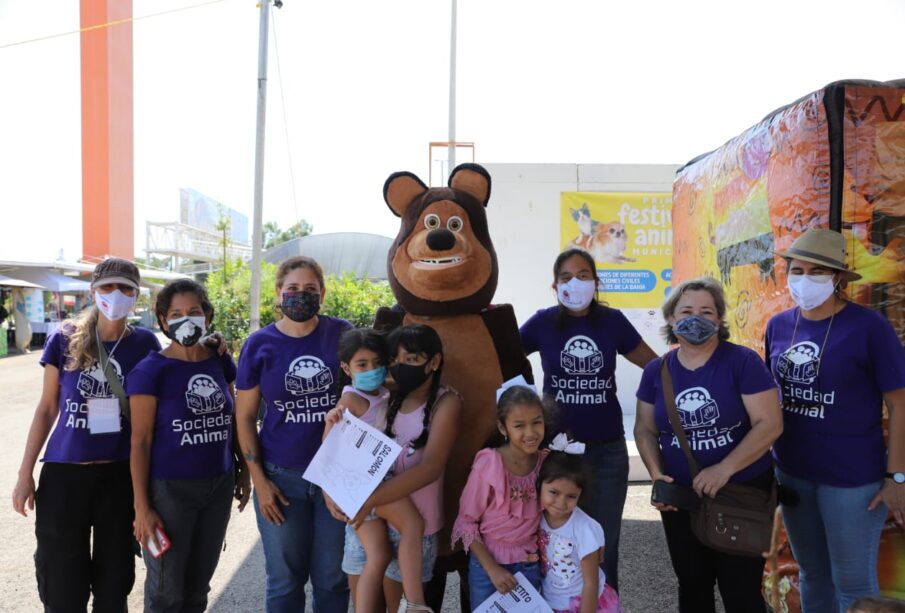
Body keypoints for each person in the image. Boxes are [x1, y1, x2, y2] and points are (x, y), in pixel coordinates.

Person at [765, 228, 905, 613]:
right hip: (793, 474)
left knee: (855, 586)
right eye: (797, 270)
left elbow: (900, 403)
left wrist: (897, 477)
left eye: (817, 272)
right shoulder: (778, 326)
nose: (804, 280)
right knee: (812, 575)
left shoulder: (868, 326)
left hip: (853, 481)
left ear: (838, 279)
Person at [11, 258, 161, 612]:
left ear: (136, 295)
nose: (116, 294)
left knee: (115, 580)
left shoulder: (145, 344)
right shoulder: (64, 339)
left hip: (118, 476)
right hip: (65, 474)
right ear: (93, 291)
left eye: (126, 288)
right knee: (61, 580)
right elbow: (47, 408)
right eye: (108, 286)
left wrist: (213, 345)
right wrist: (23, 474)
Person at [634, 276, 782, 613]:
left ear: (719, 320)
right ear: (671, 319)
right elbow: (644, 429)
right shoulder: (657, 371)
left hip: (739, 493)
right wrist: (657, 475)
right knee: (692, 586)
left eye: (706, 311)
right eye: (686, 310)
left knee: (741, 592)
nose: (696, 318)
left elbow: (770, 424)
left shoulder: (742, 362)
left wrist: (724, 468)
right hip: (681, 499)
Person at [520, 248, 656, 591]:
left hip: (607, 451)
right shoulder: (543, 322)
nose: (575, 283)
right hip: (558, 453)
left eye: (583, 276)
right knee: (555, 540)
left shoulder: (611, 322)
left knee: (602, 543)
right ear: (555, 286)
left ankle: (604, 603)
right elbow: (502, 355)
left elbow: (654, 366)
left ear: (596, 282)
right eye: (566, 277)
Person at [234, 255, 351, 612]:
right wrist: (259, 481)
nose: (302, 295)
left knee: (333, 578)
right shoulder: (259, 345)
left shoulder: (342, 334)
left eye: (310, 289)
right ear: (279, 293)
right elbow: (245, 417)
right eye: (293, 289)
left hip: (337, 476)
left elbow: (367, 391)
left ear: (323, 293)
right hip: (282, 479)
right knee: (285, 582)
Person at [128, 279, 250, 612]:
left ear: (208, 315)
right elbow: (140, 442)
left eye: (194, 311)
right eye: (176, 314)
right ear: (164, 321)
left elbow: (232, 417)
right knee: (167, 590)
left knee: (198, 586)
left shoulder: (219, 359)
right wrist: (142, 507)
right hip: (169, 492)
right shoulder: (149, 371)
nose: (186, 319)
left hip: (218, 485)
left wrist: (243, 470)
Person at [335, 324, 461, 613]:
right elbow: (332, 450)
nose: (400, 367)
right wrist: (335, 495)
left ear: (434, 361)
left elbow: (430, 468)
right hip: (370, 516)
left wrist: (366, 500)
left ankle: (415, 603)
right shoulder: (387, 395)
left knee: (399, 606)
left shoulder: (445, 402)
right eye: (394, 360)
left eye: (412, 359)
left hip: (399, 517)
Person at [323, 327, 430, 612]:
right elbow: (328, 452)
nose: (371, 369)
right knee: (413, 525)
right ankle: (416, 603)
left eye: (377, 362)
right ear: (346, 368)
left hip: (363, 485)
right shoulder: (349, 402)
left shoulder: (381, 391)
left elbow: (401, 387)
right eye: (362, 365)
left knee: (379, 556)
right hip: (368, 483)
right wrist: (331, 421)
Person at [452, 385, 549, 605]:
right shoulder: (489, 464)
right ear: (503, 428)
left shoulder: (547, 464)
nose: (531, 433)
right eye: (519, 426)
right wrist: (492, 570)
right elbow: (466, 522)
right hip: (487, 569)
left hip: (530, 564)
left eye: (537, 422)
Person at [538, 438, 622, 613]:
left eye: (571, 496)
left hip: (584, 605)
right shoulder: (535, 517)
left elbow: (591, 583)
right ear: (539, 485)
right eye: (554, 492)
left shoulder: (585, 529)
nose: (561, 503)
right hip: (551, 603)